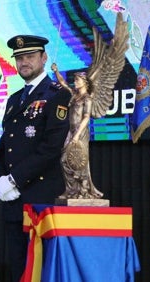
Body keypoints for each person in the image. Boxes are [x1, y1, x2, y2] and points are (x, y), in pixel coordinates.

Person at [0, 35, 71, 281]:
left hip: (41, 197)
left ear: (44, 58)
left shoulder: (57, 94)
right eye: (19, 58)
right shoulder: (14, 99)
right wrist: (1, 177)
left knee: (42, 267)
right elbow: (8, 144)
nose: (23, 62)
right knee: (19, 267)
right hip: (13, 200)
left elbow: (51, 147)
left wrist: (14, 179)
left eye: (29, 56)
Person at [51, 63, 103, 199]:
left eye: (77, 80)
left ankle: (83, 191)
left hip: (80, 132)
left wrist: (78, 135)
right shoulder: (74, 95)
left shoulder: (88, 98)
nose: (75, 82)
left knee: (80, 161)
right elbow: (63, 83)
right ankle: (72, 191)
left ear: (84, 82)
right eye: (74, 80)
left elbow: (86, 117)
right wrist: (56, 71)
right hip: (71, 131)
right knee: (64, 160)